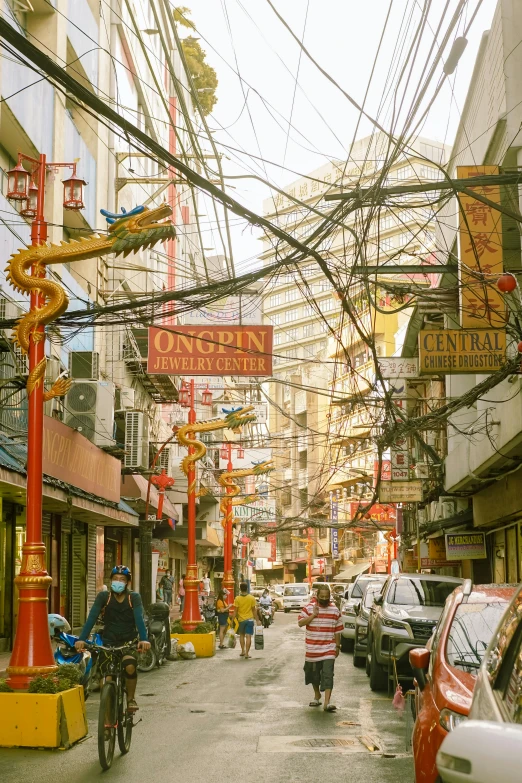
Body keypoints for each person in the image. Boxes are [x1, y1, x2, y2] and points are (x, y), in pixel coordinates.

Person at [75, 565, 150, 713]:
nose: (118, 582)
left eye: (122, 579)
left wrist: (144, 639)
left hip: (128, 642)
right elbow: (92, 617)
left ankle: (130, 699)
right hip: (108, 642)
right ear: (110, 581)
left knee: (129, 666)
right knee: (106, 678)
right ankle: (108, 720)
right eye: (115, 579)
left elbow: (139, 619)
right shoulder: (104, 597)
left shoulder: (133, 597)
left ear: (127, 582)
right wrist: (82, 638)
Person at [298, 584, 343, 712]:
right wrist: (313, 615)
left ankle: (327, 703)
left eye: (326, 597)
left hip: (329, 648)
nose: (324, 598)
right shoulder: (308, 609)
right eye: (321, 596)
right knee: (314, 675)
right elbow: (300, 623)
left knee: (328, 674)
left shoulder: (334, 610)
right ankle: (317, 695)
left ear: (330, 597)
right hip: (312, 649)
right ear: (317, 596)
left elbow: (337, 630)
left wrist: (337, 646)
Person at [232, 582, 260, 659]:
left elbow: (235, 611)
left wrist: (232, 620)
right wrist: (257, 620)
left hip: (241, 620)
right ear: (247, 588)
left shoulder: (237, 598)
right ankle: (247, 653)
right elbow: (254, 610)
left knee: (241, 635)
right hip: (250, 620)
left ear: (240, 589)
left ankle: (243, 651)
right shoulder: (251, 598)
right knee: (248, 636)